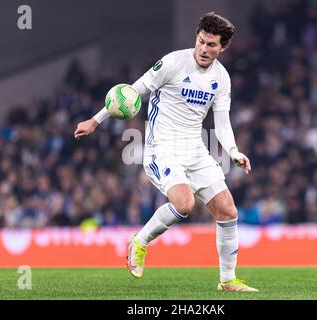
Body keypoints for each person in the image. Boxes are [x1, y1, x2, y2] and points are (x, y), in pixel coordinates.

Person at [74, 12, 258, 292]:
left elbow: (222, 123)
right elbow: (132, 93)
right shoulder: (173, 62)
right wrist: (95, 120)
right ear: (196, 36)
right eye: (201, 41)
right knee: (184, 204)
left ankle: (227, 280)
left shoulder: (221, 78)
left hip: (195, 149)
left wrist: (233, 151)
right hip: (163, 147)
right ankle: (140, 242)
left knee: (228, 211)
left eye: (211, 45)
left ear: (224, 48)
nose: (204, 49)